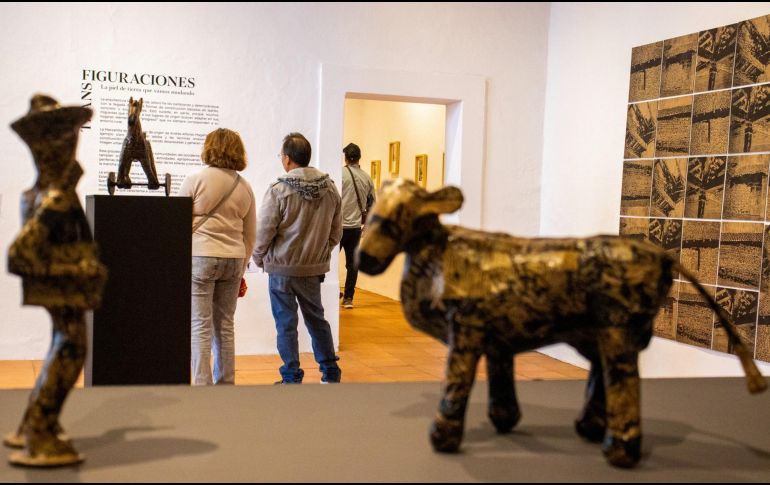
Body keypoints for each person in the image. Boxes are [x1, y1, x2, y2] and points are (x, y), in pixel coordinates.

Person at [253, 132, 343, 384]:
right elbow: (336, 232)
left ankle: (292, 376)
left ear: (288, 159)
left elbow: (264, 232)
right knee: (317, 319)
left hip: (281, 269)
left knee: (286, 324)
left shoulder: (278, 190)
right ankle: (330, 371)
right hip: (312, 269)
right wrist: (320, 253)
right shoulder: (330, 189)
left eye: (281, 155)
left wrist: (259, 258)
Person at [179, 128, 256, 386]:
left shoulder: (195, 180)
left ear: (209, 147)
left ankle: (202, 384)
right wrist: (242, 265)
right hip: (233, 258)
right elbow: (250, 233)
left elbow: (177, 224)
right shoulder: (244, 187)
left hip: (201, 256)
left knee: (200, 325)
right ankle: (226, 384)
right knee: (225, 325)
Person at [340, 143, 376, 309]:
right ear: (359, 157)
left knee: (328, 262)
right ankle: (348, 298)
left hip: (337, 227)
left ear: (346, 157)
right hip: (355, 228)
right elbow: (372, 205)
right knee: (352, 264)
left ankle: (330, 291)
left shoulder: (339, 174)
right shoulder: (367, 178)